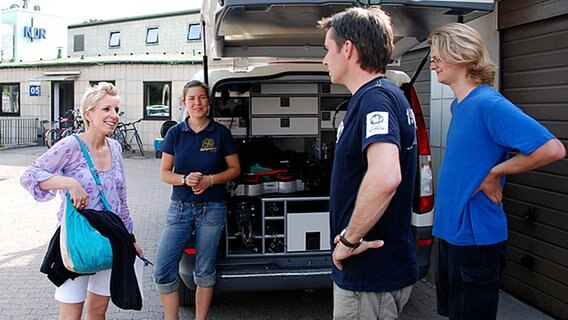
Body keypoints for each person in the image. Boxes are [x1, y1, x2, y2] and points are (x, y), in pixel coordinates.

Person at [427, 23, 566, 320]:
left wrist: (494, 173)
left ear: (461, 56)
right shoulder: (459, 105)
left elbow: (552, 149)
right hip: (452, 234)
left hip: (475, 241)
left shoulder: (488, 104)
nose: (433, 63)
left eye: (437, 55)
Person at [318, 6, 419, 319]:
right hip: (381, 269)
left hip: (369, 274)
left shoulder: (375, 99)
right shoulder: (388, 94)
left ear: (347, 48)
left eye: (327, 50)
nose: (324, 60)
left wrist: (349, 240)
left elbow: (387, 176)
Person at [20, 82, 145, 319]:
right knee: (71, 314)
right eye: (106, 109)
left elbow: (121, 198)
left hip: (110, 240)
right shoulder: (71, 145)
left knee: (98, 311)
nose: (114, 116)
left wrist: (130, 238)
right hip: (76, 241)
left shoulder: (116, 147)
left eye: (117, 110)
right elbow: (30, 175)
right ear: (89, 114)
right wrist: (69, 183)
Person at [153, 80, 241, 320]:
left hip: (212, 209)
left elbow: (235, 169)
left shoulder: (221, 132)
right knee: (162, 270)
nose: (197, 103)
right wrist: (184, 180)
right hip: (179, 209)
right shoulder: (174, 133)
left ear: (208, 102)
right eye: (192, 98)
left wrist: (210, 180)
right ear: (183, 103)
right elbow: (164, 173)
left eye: (202, 98)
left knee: (204, 271)